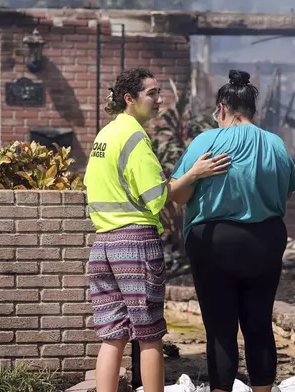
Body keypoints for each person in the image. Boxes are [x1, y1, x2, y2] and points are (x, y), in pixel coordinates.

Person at [83, 68, 230, 392]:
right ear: (129, 99)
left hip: (103, 246)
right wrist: (194, 173)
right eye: (152, 93)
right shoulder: (134, 138)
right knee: (149, 336)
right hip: (134, 245)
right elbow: (158, 195)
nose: (159, 100)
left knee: (113, 336)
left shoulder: (103, 136)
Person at [169, 70, 295, 392]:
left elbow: (178, 195)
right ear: (253, 110)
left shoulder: (205, 142)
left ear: (221, 108)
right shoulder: (275, 144)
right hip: (265, 241)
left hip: (214, 244)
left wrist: (198, 177)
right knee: (258, 325)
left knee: (220, 330)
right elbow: (287, 192)